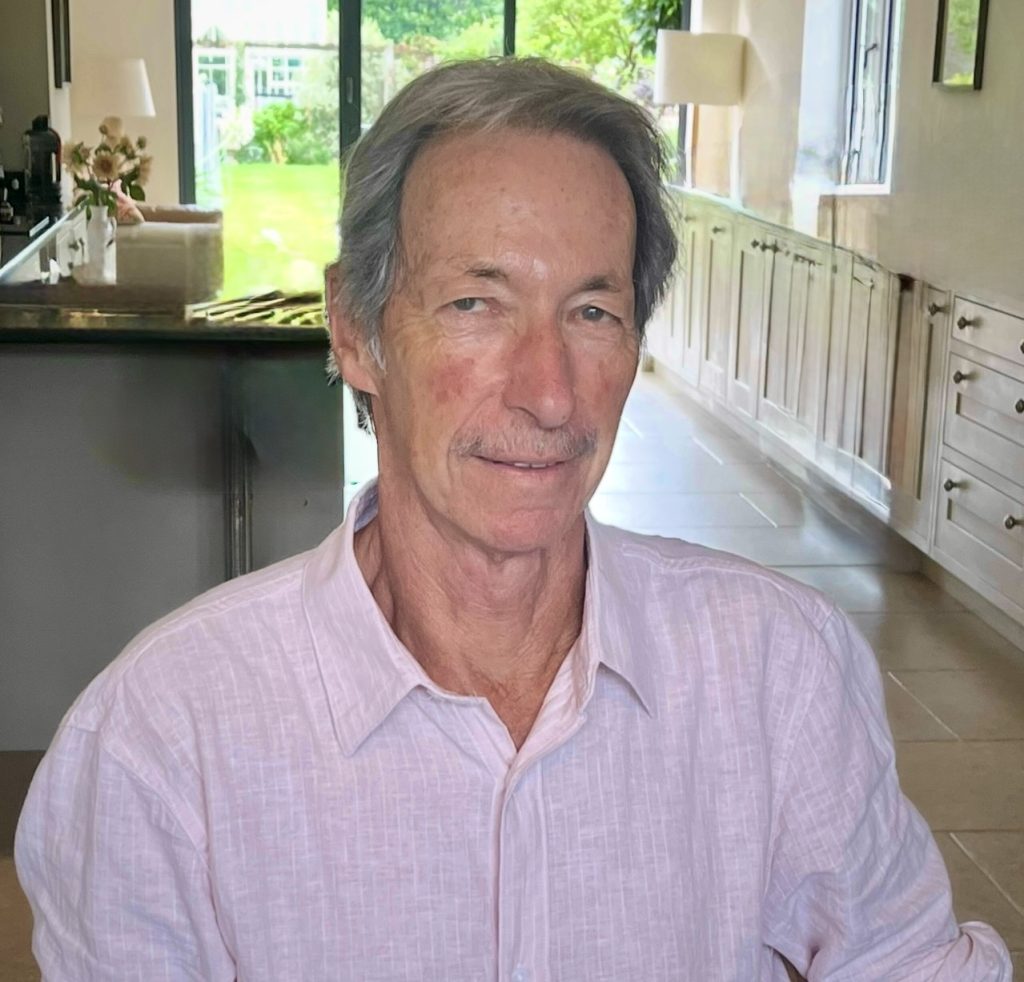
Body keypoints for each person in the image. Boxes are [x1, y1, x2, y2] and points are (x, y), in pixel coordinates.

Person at [15, 58, 1010, 981]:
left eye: (591, 312)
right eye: (474, 304)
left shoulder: (775, 670)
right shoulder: (157, 743)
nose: (549, 393)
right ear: (356, 332)